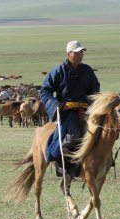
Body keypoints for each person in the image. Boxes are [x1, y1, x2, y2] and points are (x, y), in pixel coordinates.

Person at [40, 40, 100, 176]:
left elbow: (95, 90)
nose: (80, 55)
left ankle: (103, 161)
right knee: (74, 136)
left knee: (102, 132)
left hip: (86, 109)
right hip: (67, 110)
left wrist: (89, 105)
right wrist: (57, 105)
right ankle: (61, 162)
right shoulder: (58, 71)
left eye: (82, 52)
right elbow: (45, 91)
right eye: (77, 53)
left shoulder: (87, 70)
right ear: (68, 54)